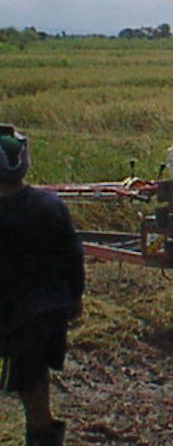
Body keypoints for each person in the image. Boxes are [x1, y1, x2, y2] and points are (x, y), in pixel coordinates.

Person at [0, 124, 85, 446]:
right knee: (35, 382)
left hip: (8, 314)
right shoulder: (50, 205)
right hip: (42, 314)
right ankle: (42, 435)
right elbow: (73, 256)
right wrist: (76, 298)